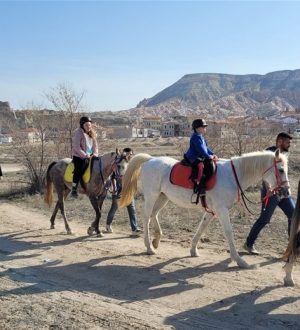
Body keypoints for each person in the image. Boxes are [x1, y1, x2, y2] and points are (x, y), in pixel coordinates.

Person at [244, 132, 295, 255]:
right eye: (288, 142)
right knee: (265, 219)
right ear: (280, 141)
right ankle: (249, 244)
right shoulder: (269, 153)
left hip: (283, 193)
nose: (290, 145)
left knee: (293, 217)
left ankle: (291, 248)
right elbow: (265, 172)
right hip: (271, 193)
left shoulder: (284, 154)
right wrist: (269, 188)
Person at [106, 147, 142, 236]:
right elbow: (115, 176)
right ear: (125, 154)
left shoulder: (131, 165)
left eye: (131, 154)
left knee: (132, 209)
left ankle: (134, 229)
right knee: (114, 208)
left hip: (128, 190)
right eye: (129, 154)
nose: (130, 156)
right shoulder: (118, 164)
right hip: (118, 190)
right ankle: (108, 224)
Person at [183, 119, 218, 196]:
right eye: (203, 126)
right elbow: (201, 149)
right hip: (193, 158)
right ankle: (200, 186)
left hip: (200, 157)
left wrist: (212, 154)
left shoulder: (201, 137)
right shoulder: (196, 137)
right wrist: (208, 156)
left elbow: (206, 148)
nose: (205, 128)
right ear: (197, 128)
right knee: (202, 167)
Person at [71, 116, 98, 198]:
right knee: (78, 170)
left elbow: (95, 146)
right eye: (86, 125)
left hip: (90, 155)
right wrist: (85, 155)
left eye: (89, 125)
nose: (88, 127)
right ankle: (74, 189)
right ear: (82, 125)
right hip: (79, 156)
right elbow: (76, 147)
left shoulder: (92, 133)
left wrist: (95, 154)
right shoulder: (78, 133)